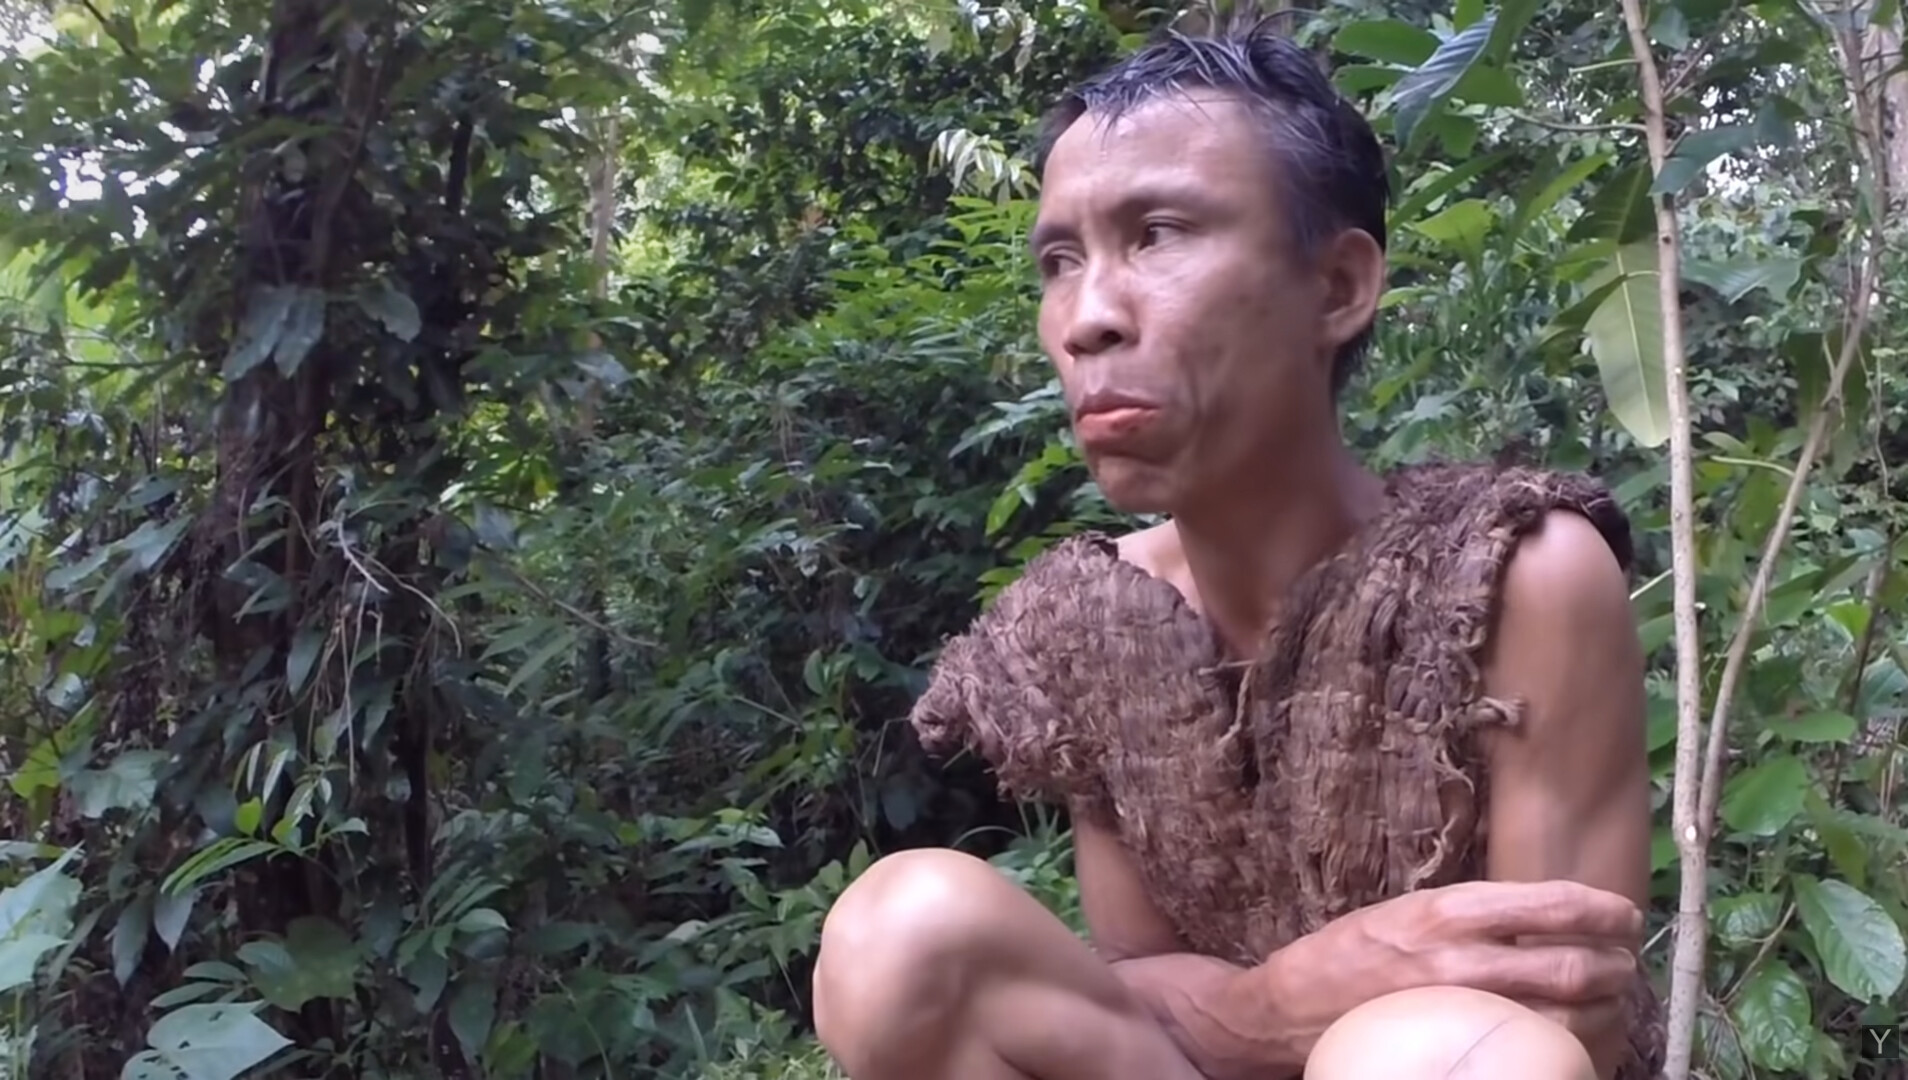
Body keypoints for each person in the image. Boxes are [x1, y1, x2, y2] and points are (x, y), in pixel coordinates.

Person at [811, 19, 1661, 1080]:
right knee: (899, 933)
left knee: (1431, 1048)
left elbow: (1558, 1009)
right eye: (1060, 261)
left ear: (1338, 287)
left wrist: (1274, 1014)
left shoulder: (1513, 572)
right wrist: (1276, 1004)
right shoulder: (1099, 617)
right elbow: (1129, 987)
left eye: (1158, 234)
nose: (1086, 318)